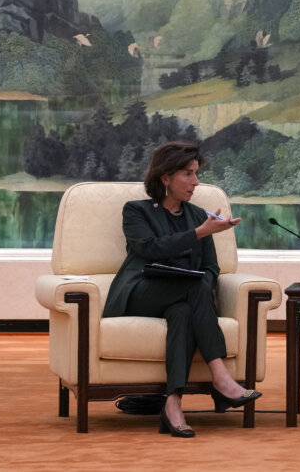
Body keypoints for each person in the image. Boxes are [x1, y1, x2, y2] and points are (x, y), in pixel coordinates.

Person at [102, 141, 261, 438]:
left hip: (182, 297)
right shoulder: (137, 211)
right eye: (188, 174)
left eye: (196, 174)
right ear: (165, 177)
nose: (196, 182)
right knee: (193, 288)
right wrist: (200, 233)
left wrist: (203, 272)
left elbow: (211, 267)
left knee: (186, 307)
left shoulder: (197, 216)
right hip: (140, 294)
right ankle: (221, 378)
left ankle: (173, 404)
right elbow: (148, 249)